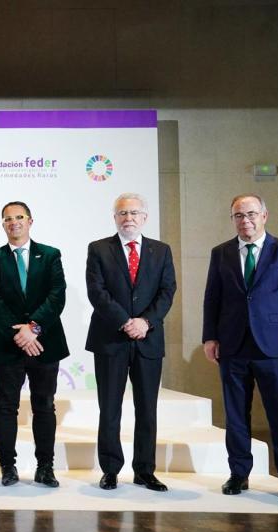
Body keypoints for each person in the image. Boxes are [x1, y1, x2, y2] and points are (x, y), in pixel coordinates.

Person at [202, 194, 278, 502]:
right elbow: (212, 298)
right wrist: (210, 337)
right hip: (232, 345)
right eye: (238, 215)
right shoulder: (220, 253)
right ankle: (239, 474)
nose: (244, 220)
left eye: (250, 214)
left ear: (264, 215)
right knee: (235, 415)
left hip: (275, 347)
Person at [85, 194, 176, 492]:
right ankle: (110, 469)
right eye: (122, 213)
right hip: (111, 338)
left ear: (145, 217)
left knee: (147, 408)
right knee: (109, 407)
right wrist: (126, 321)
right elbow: (97, 292)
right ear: (115, 218)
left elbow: (167, 291)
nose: (129, 218)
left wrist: (145, 322)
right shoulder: (99, 249)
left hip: (148, 340)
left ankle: (145, 471)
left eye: (134, 213)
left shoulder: (161, 251)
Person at [0, 201, 68, 488]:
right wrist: (18, 334)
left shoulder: (51, 254)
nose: (14, 222)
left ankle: (46, 467)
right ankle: (8, 467)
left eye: (19, 217)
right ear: (3, 224)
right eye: (8, 218)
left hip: (45, 344)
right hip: (8, 346)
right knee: (6, 407)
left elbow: (57, 296)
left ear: (30, 221)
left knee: (44, 406)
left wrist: (33, 329)